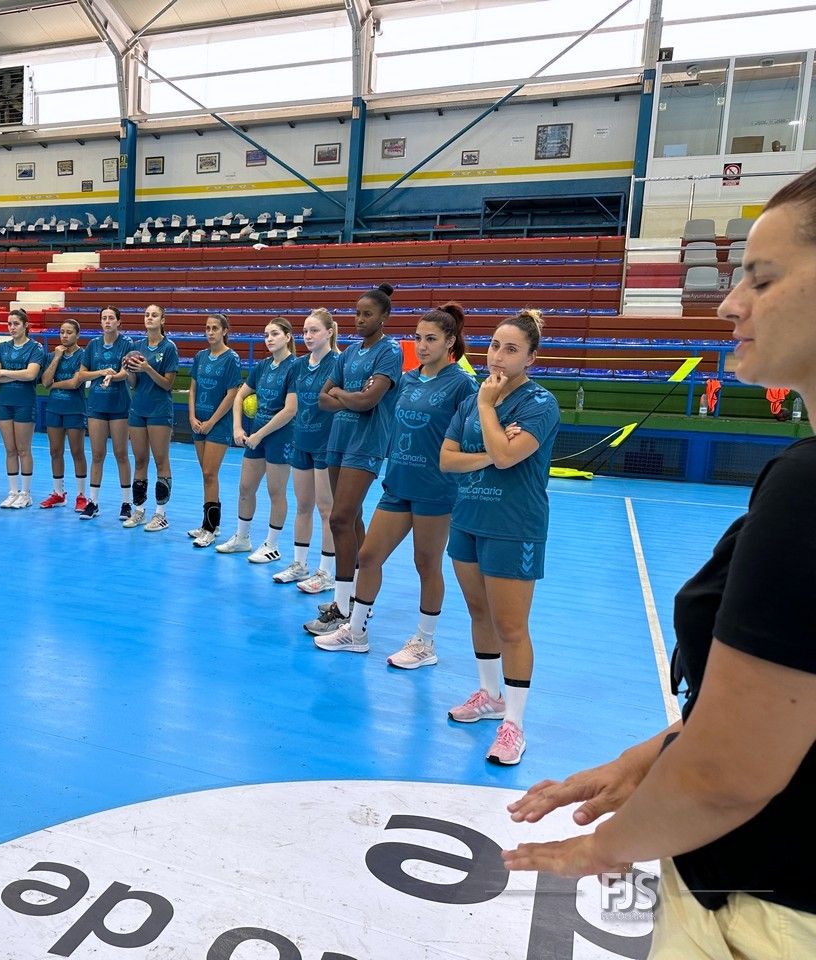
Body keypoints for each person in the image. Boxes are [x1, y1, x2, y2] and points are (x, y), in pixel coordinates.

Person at [502, 168, 816, 954]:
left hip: (764, 909)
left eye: (762, 279)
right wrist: (644, 759)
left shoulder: (807, 491)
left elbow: (731, 774)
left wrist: (601, 847)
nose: (730, 304)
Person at [316, 304, 476, 659]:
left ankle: (425, 642)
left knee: (426, 564)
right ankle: (356, 631)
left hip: (435, 488)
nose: (422, 346)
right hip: (398, 483)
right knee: (369, 555)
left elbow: (475, 430)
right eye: (418, 338)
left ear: (450, 342)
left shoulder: (463, 384)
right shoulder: (408, 379)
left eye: (431, 339)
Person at [436, 308, 559, 765]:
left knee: (511, 626)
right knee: (478, 612)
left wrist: (489, 413)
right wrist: (490, 451)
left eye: (511, 350)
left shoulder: (538, 403)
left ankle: (515, 724)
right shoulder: (472, 401)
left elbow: (509, 458)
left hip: (514, 526)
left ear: (531, 357)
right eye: (494, 346)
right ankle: (489, 696)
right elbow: (448, 459)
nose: (498, 357)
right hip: (468, 518)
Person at [304, 284, 403, 637]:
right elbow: (322, 399)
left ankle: (342, 606)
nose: (360, 320)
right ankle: (359, 598)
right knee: (352, 518)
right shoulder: (348, 352)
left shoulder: (390, 351)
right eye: (357, 313)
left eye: (368, 314)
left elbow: (369, 401)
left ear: (384, 316)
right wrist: (351, 395)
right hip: (339, 441)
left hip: (366, 443)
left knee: (340, 519)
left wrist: (343, 394)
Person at [215, 318, 298, 562]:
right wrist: (237, 427)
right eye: (266, 335)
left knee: (276, 491)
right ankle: (242, 538)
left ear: (288, 337)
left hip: (281, 436)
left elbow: (290, 410)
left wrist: (259, 434)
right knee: (245, 487)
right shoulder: (262, 366)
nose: (269, 339)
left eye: (275, 334)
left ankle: (272, 545)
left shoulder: (295, 367)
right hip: (255, 436)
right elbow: (239, 396)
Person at [278, 309, 340, 588]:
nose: (308, 336)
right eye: (305, 331)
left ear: (329, 332)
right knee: (303, 506)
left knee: (327, 510)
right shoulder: (298, 365)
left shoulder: (338, 364)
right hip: (301, 442)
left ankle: (325, 572)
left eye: (314, 330)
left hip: (326, 445)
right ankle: (299, 564)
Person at [123, 303, 180, 531]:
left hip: (159, 410)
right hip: (138, 408)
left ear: (162, 320)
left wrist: (147, 368)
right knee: (139, 460)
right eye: (146, 314)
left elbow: (167, 384)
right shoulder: (136, 347)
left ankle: (160, 514)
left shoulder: (169, 348)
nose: (149, 318)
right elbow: (133, 383)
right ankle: (138, 510)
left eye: (154, 315)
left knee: (160, 460)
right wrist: (129, 371)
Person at [187, 314, 241, 547]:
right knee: (206, 474)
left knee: (210, 473)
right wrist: (191, 416)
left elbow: (231, 394)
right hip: (198, 422)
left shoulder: (232, 359)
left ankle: (209, 528)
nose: (210, 332)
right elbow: (193, 389)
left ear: (224, 331)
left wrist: (211, 421)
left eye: (215, 328)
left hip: (217, 424)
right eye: (207, 328)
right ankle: (211, 523)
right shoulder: (200, 357)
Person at [79, 305, 134, 521]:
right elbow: (82, 374)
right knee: (97, 454)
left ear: (119, 322)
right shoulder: (93, 345)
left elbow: (126, 372)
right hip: (96, 405)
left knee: (121, 453)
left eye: (111, 318)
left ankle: (126, 503)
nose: (107, 321)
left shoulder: (127, 344)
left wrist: (113, 376)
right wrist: (102, 372)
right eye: (104, 318)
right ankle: (93, 502)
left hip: (119, 404)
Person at [0, 308, 45, 509]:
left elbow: (31, 375)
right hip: (5, 403)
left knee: (23, 449)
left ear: (25, 325)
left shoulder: (35, 348)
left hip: (25, 403)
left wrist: (4, 373)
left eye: (16, 324)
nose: (12, 327)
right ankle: (12, 492)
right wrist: (15, 375)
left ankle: (26, 493)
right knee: (10, 449)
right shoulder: (2, 347)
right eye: (9, 324)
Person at [40, 319, 89, 510]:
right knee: (55, 451)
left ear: (77, 335)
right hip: (54, 408)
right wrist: (56, 358)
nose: (65, 336)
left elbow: (75, 383)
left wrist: (54, 385)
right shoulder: (53, 355)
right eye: (62, 332)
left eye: (69, 332)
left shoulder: (83, 355)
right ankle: (58, 493)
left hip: (74, 409)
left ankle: (81, 495)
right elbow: (45, 382)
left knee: (77, 452)